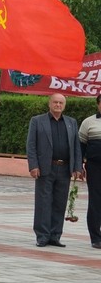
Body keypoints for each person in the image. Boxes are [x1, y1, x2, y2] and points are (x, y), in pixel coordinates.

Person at [28, 93, 82, 247]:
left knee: (60, 203)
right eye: (55, 102)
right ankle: (42, 236)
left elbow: (76, 147)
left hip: (64, 168)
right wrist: (33, 165)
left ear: (64, 105)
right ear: (49, 104)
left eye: (61, 103)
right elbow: (31, 145)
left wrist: (77, 167)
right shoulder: (37, 121)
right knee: (43, 203)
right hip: (46, 167)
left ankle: (55, 235)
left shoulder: (71, 122)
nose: (58, 105)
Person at [78, 95, 101, 249]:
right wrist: (79, 165)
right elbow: (81, 146)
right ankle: (96, 237)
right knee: (95, 201)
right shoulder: (88, 122)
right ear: (98, 105)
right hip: (95, 167)